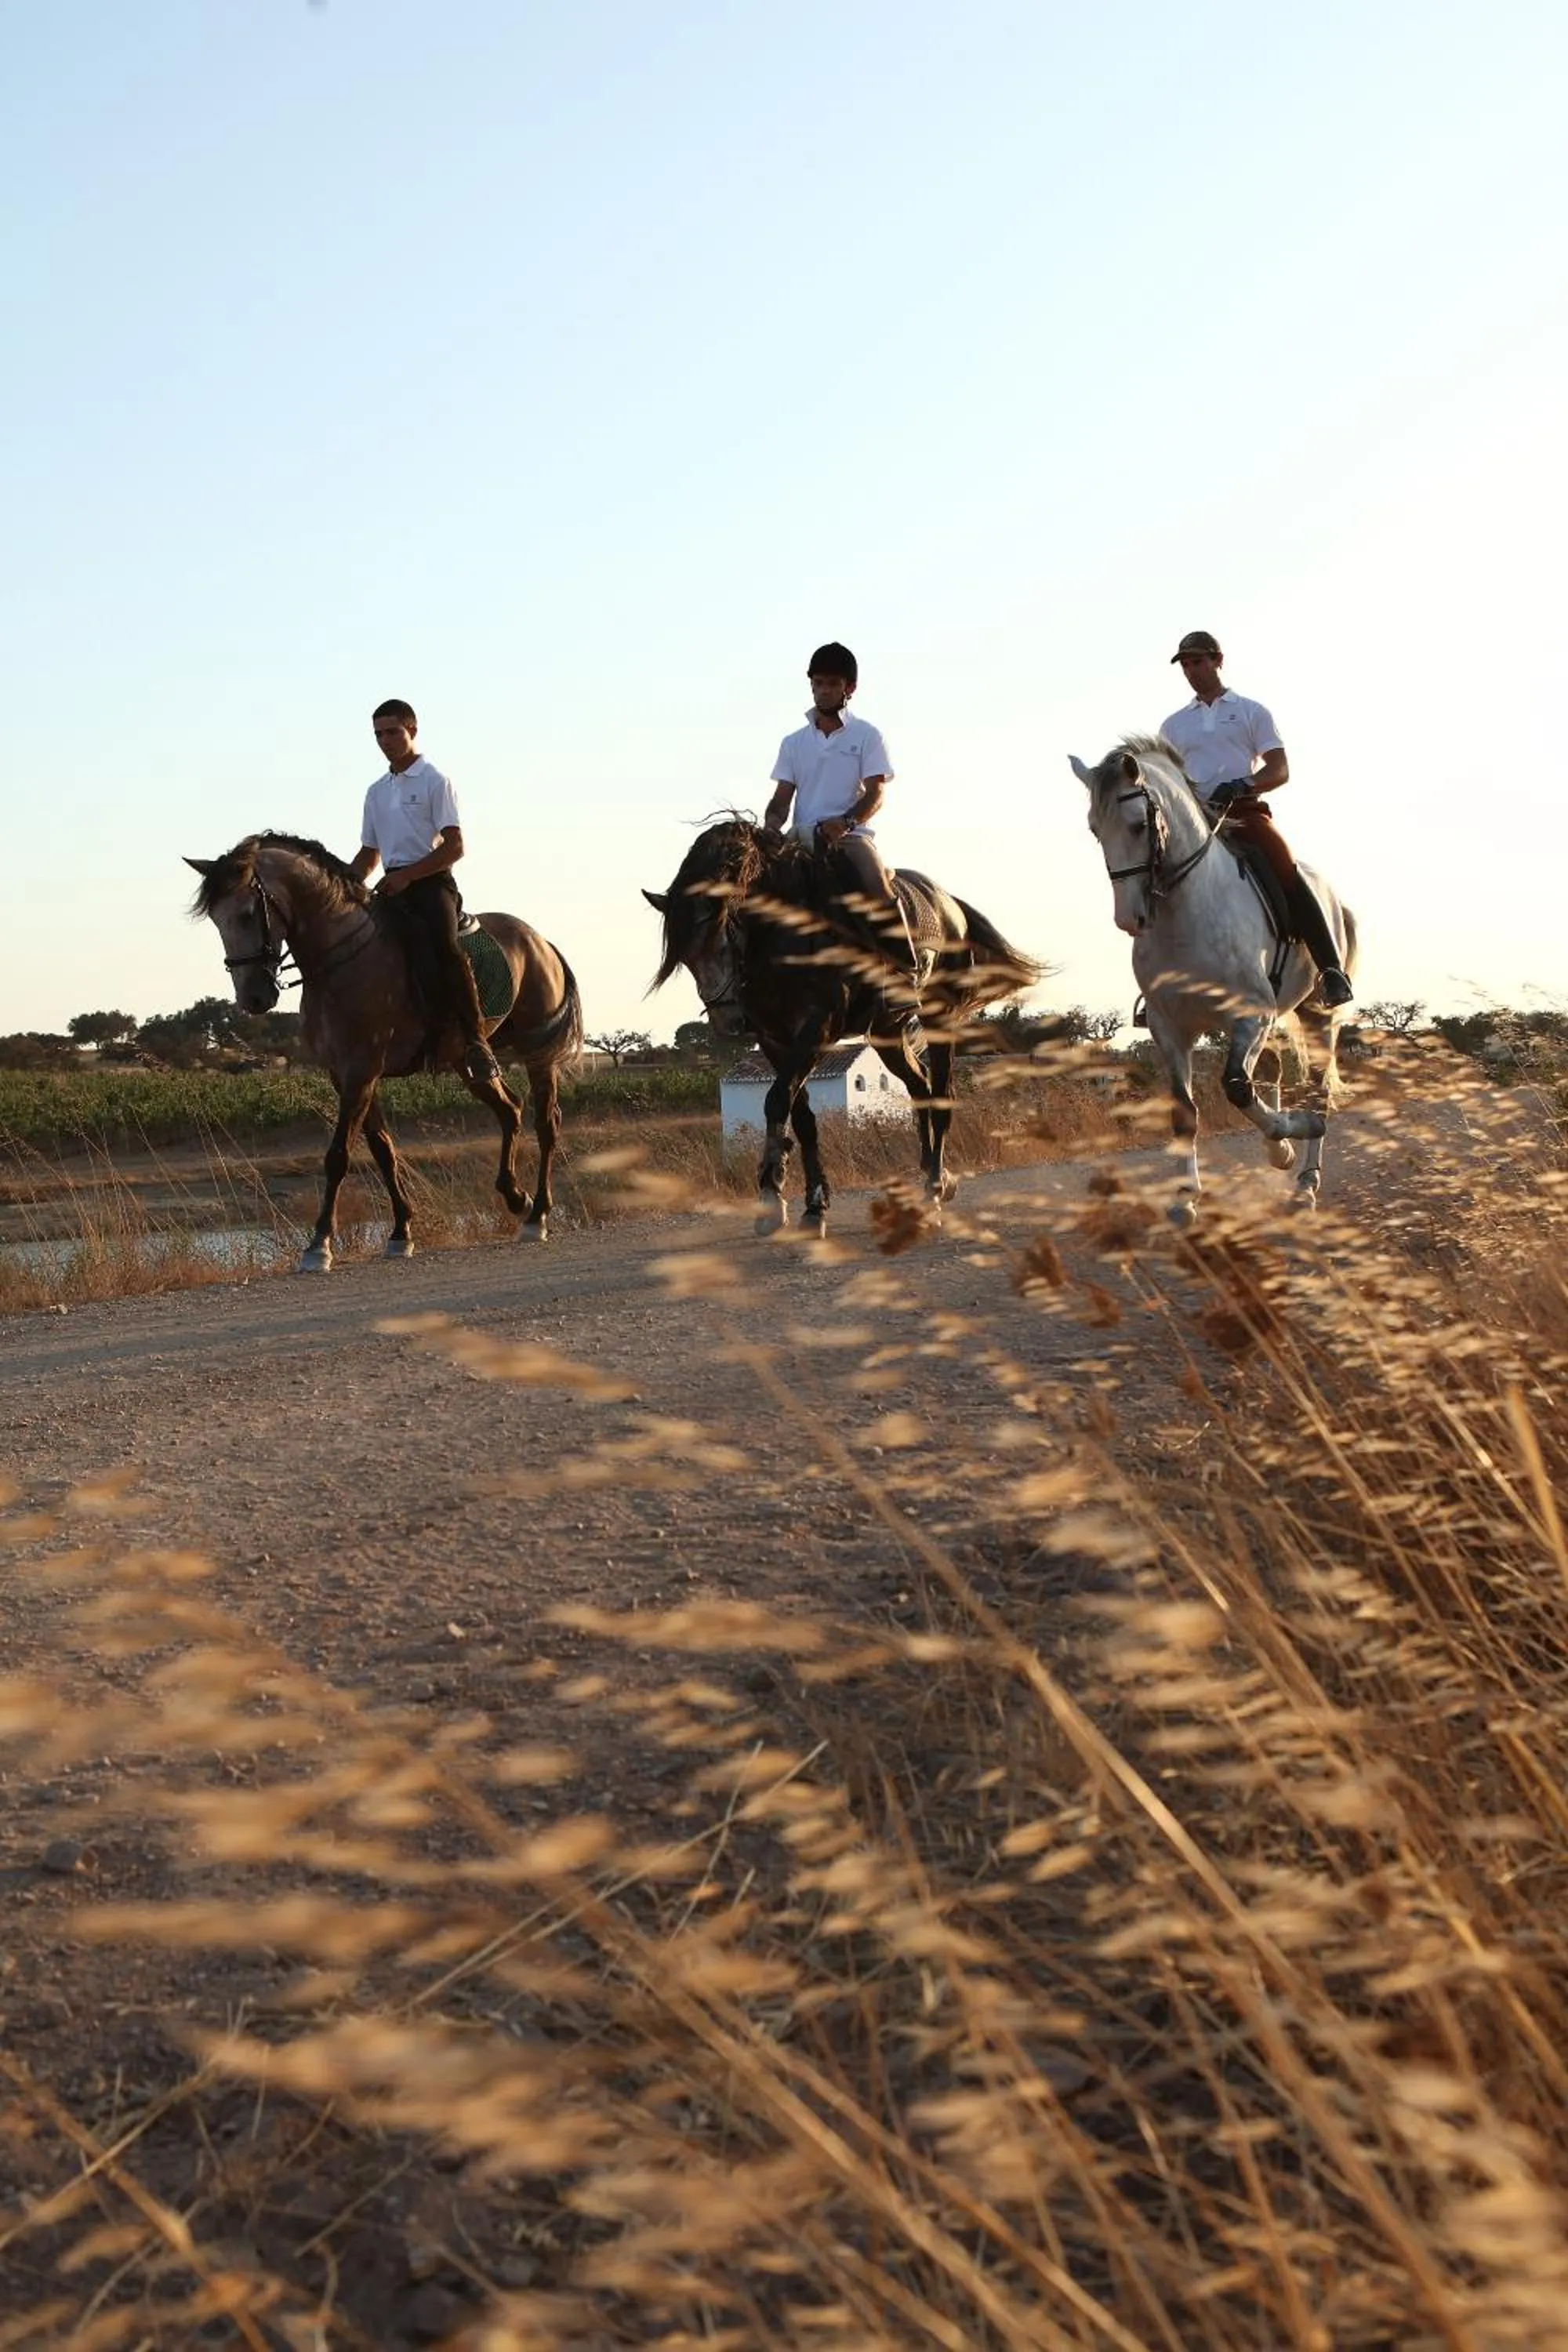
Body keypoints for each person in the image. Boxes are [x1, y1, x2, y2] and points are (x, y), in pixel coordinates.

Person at [1160, 631, 1353, 1007]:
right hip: (1194, 820)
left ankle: (1331, 971)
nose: (1191, 670)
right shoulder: (1173, 725)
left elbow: (1279, 769)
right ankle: (1158, 987)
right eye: (1185, 664)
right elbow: (1168, 778)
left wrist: (1242, 784)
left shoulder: (1250, 711)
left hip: (1243, 812)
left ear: (1218, 660)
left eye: (1197, 661)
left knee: (1285, 868)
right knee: (1152, 877)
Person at [762, 641, 921, 1013]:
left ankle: (902, 976)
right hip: (802, 837)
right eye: (818, 683)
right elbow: (782, 797)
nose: (824, 690)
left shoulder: (867, 735)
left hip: (850, 836)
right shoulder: (793, 743)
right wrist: (771, 824)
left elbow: (876, 794)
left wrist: (846, 822)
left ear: (849, 688)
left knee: (877, 886)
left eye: (832, 684)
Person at [350, 699, 503, 1082]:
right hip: (391, 885)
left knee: (447, 949)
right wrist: (344, 884)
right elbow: (370, 853)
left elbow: (455, 848)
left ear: (412, 730)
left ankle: (475, 1040)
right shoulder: (375, 791)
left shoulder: (435, 780)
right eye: (378, 734)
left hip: (432, 882)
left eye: (392, 732)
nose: (385, 740)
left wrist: (410, 877)